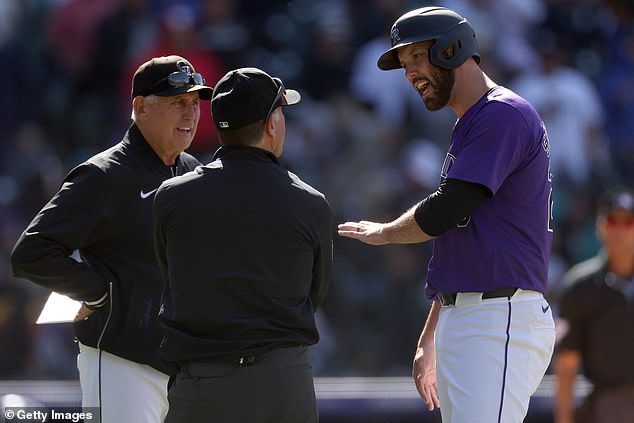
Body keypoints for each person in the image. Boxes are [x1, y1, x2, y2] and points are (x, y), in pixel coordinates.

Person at [338, 7, 556, 422]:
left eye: (416, 57)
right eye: (404, 65)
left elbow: (445, 210)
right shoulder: (475, 120)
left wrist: (385, 232)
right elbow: (463, 235)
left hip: (498, 317)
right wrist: (433, 331)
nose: (409, 74)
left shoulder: (502, 113)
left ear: (452, 48)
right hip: (476, 314)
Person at [10, 55, 213, 423]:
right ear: (140, 108)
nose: (190, 114)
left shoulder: (192, 172)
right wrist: (97, 291)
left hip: (182, 362)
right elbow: (31, 252)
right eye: (176, 103)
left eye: (194, 104)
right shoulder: (103, 175)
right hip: (122, 362)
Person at [152, 67, 333, 423]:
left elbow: (168, 274)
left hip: (202, 383)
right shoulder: (309, 202)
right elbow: (315, 294)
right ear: (270, 125)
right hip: (282, 381)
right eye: (280, 112)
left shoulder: (171, 198)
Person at [554, 186, 634, 423]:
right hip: (607, 406)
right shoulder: (579, 288)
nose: (619, 230)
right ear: (599, 225)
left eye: (627, 223)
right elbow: (567, 366)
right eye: (611, 221)